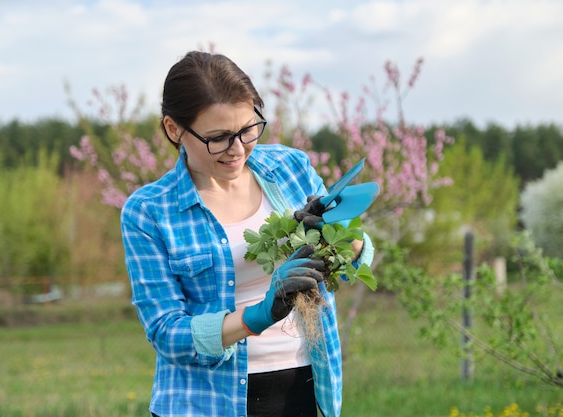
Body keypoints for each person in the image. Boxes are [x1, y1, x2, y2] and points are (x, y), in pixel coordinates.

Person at [120, 51, 375, 417]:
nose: (237, 149)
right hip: (203, 402)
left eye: (247, 129)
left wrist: (335, 236)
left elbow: (355, 257)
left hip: (301, 389)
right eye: (219, 137)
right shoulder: (149, 211)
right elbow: (166, 332)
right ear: (174, 129)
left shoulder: (290, 168)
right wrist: (258, 315)